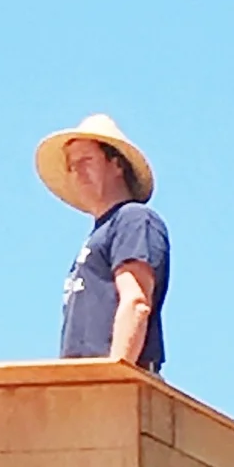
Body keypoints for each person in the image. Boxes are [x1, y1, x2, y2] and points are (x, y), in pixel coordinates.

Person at [36, 114, 169, 371]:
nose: (78, 172)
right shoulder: (102, 233)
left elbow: (135, 302)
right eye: (72, 166)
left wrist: (114, 376)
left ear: (117, 164)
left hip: (115, 385)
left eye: (86, 161)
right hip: (83, 385)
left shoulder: (132, 220)